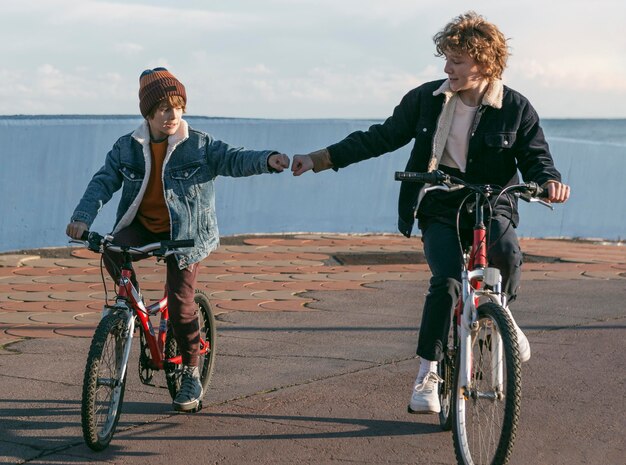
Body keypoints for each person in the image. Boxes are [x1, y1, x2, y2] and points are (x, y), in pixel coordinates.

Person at [291, 12, 570, 414]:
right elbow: (381, 137)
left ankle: (502, 317)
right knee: (447, 282)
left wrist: (550, 182)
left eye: (456, 61)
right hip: (440, 199)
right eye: (447, 59)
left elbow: (536, 157)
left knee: (505, 255)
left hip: (492, 200)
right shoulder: (427, 99)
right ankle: (429, 370)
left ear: (484, 63)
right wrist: (319, 158)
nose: (447, 68)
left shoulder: (515, 107)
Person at [66, 67, 290, 412]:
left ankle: (190, 371)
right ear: (149, 113)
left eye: (177, 107)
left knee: (182, 303)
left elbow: (233, 159)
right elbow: (103, 181)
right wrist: (82, 218)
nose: (172, 115)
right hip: (143, 226)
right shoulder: (127, 147)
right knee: (111, 250)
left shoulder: (198, 145)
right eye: (164, 109)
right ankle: (130, 309)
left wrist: (267, 160)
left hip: (185, 234)